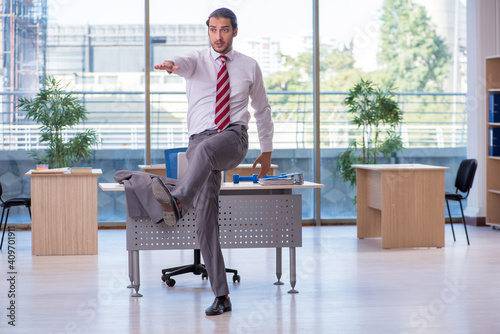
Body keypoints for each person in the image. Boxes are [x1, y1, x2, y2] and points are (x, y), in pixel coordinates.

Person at [152, 7, 274, 316]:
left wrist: (267, 151)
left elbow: (262, 110)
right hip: (199, 142)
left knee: (206, 151)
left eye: (224, 30)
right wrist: (171, 64)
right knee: (206, 220)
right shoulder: (197, 61)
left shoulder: (249, 66)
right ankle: (222, 296)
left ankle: (178, 202)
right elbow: (182, 62)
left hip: (233, 137)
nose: (218, 36)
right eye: (213, 30)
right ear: (208, 31)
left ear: (234, 31)